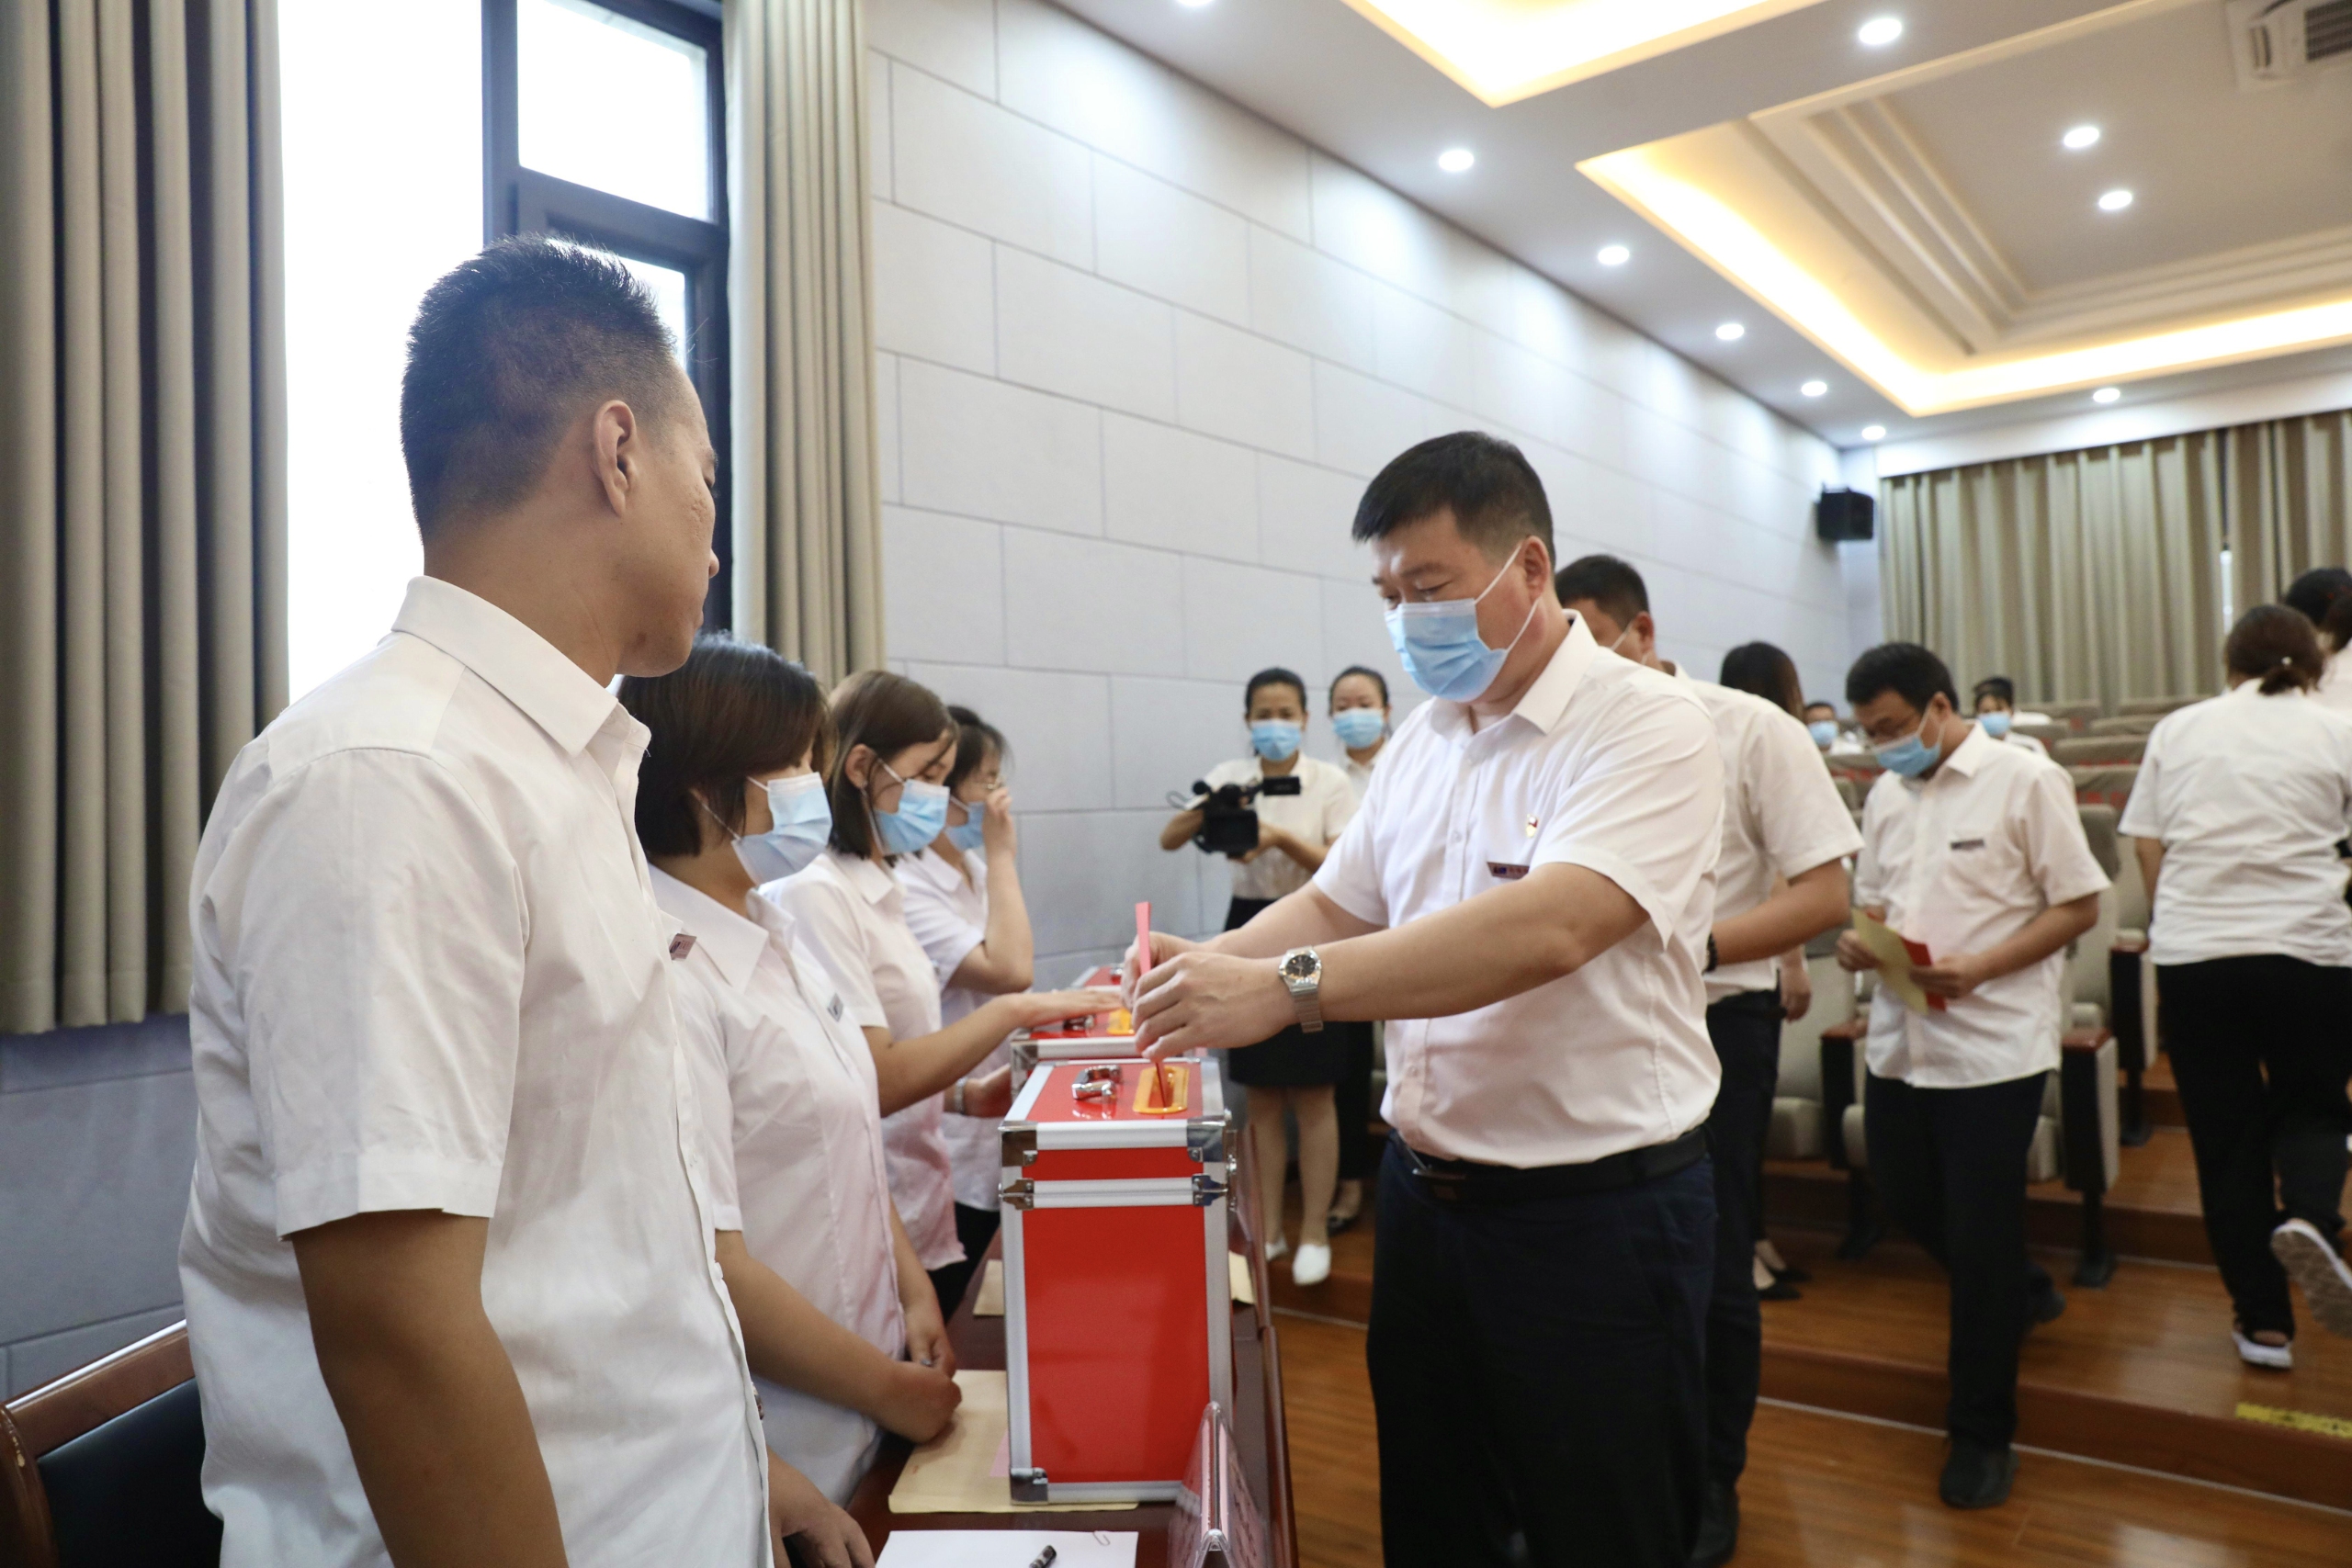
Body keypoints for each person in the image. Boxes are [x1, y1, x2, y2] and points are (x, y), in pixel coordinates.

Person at [180, 237, 838, 1566]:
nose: (716, 537)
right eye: (708, 481)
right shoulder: (394, 775)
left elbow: (597, 1243)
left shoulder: (559, 770)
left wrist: (750, 1478)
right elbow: (401, 1331)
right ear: (618, 452)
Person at [1131, 431, 1726, 1567]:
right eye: (1388, 595)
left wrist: (1281, 993)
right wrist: (1192, 973)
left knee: (1600, 1527)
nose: (1407, 619)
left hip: (1592, 1216)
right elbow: (1338, 903)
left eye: (1431, 586)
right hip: (1428, 1202)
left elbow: (1552, 926)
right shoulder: (1423, 741)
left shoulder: (1645, 724)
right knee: (1435, 1516)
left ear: (1529, 567)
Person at [1555, 563, 1860, 1568]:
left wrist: (1699, 948)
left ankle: (1713, 1475)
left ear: (1641, 632)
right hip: (1594, 1025)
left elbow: (1824, 894)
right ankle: (1618, 1470)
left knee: (1716, 1256)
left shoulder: (1747, 727)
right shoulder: (1559, 734)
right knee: (1609, 1259)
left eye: (1587, 636)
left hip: (1719, 1014)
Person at [624, 637, 962, 1521]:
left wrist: (910, 1285)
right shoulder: (667, 973)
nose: (815, 785)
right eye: (796, 763)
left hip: (874, 1375)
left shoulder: (774, 929)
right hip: (793, 1437)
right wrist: (884, 1386)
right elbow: (713, 1260)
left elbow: (849, 1127)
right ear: (705, 788)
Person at [1837, 642, 2108, 1510]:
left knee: (1981, 1237)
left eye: (1892, 726)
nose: (1882, 744)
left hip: (1992, 1045)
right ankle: (2020, 1291)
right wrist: (1860, 938)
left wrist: (1983, 967)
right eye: (1869, 732)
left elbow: (2080, 903)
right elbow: (1874, 899)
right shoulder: (1887, 794)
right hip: (1901, 1038)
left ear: (1941, 707)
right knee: (1904, 1193)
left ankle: (1982, 1432)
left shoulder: (2025, 779)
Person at [771, 671, 1113, 1318]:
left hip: (920, 1188)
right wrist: (1015, 1011)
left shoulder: (883, 880)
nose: (939, 796)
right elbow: (869, 1076)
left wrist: (961, 1096)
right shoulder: (816, 890)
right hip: (873, 1206)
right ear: (861, 767)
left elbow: (887, 1048)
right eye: (928, 775)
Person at [2119, 606, 2352, 1359]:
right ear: (2313, 665)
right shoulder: (2338, 729)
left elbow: (2148, 845)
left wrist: (2176, 918)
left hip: (2198, 956)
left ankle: (2264, 1323)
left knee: (2226, 1139)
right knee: (2314, 1105)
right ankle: (2311, 1216)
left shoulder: (2180, 729)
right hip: (2308, 950)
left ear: (2230, 664)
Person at [1159, 668, 1363, 1285]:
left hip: (1315, 929)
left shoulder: (1331, 782)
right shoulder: (1231, 774)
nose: (1275, 724)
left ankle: (1313, 1231)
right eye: (1263, 714)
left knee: (1316, 1092)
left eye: (1286, 713)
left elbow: (1345, 867)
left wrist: (1276, 836)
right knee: (1263, 1097)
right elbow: (1170, 837)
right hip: (1247, 926)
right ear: (1248, 721)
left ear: (1305, 718)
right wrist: (1214, 807)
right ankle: (1269, 1227)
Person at [898, 705, 1035, 1272]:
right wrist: (1003, 856)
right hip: (946, 1125)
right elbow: (1011, 971)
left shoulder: (973, 869)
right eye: (988, 780)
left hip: (988, 1107)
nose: (1000, 796)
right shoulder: (909, 883)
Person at [1327, 666, 1393, 1233]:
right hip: (1348, 934)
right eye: (1343, 705)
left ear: (1387, 710)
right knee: (1346, 1071)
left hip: (1416, 930)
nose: (1354, 714)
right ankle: (1350, 1182)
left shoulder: (1414, 762)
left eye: (1364, 703)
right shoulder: (1326, 779)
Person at [1971, 677, 2047, 756]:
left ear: (2011, 711)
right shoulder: (1972, 748)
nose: (1993, 715)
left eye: (1999, 709)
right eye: (1986, 711)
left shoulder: (2029, 746)